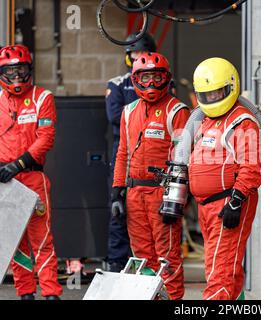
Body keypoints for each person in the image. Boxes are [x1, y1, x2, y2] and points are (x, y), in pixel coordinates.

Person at [112, 52, 190, 300]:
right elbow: (122, 154)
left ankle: (174, 299)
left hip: (163, 194)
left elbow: (184, 158)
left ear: (166, 78)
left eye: (157, 78)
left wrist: (176, 201)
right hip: (135, 194)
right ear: (135, 79)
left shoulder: (177, 110)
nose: (151, 84)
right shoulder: (127, 112)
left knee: (168, 255)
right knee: (141, 257)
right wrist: (117, 191)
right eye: (145, 78)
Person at [189, 57, 261, 300]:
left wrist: (236, 200)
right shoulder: (206, 121)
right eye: (207, 95)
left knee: (219, 272)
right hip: (206, 206)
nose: (211, 99)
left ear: (231, 87)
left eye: (217, 93)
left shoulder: (242, 122)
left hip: (228, 204)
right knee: (224, 268)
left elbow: (252, 167)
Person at [0, 45, 62, 300]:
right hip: (5, 181)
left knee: (42, 237)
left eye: (21, 69)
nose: (16, 76)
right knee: (15, 240)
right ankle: (25, 292)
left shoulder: (42, 97)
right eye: (10, 71)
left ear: (29, 70)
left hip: (32, 177)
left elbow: (46, 138)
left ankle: (50, 293)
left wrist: (19, 164)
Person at [105, 32, 157, 272]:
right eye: (134, 53)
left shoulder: (164, 80)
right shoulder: (117, 83)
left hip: (155, 153)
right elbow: (115, 117)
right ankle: (116, 262)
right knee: (119, 207)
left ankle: (154, 265)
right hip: (123, 151)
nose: (137, 57)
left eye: (142, 52)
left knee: (156, 214)